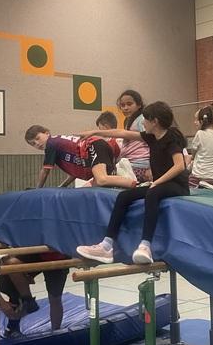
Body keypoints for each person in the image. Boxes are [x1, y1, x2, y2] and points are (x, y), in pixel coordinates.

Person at [76, 101, 189, 264]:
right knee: (124, 196)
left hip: (177, 185)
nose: (143, 123)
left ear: (155, 122)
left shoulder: (171, 139)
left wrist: (157, 182)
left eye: (145, 120)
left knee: (152, 193)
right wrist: (95, 132)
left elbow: (179, 166)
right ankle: (106, 246)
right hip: (160, 185)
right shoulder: (151, 137)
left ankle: (145, 246)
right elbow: (123, 133)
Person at [24, 125, 136, 189]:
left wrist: (37, 189)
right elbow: (75, 172)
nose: (37, 144)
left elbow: (45, 171)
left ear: (47, 133)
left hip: (94, 146)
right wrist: (63, 186)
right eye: (33, 144)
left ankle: (138, 185)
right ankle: (130, 185)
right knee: (96, 187)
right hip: (99, 147)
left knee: (102, 179)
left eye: (38, 138)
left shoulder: (51, 144)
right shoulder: (59, 146)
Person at [116, 89, 150, 183]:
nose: (125, 108)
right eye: (122, 105)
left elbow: (152, 142)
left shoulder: (142, 119)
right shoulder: (128, 121)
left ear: (139, 105)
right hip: (130, 163)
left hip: (140, 165)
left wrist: (151, 167)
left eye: (129, 104)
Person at [189, 106, 213, 189]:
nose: (195, 122)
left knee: (188, 185)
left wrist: (192, 157)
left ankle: (203, 186)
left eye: (197, 120)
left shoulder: (200, 134)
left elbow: (193, 152)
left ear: (202, 121)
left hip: (200, 175)